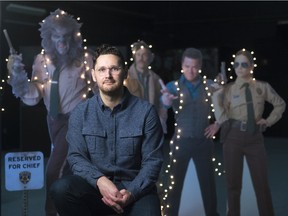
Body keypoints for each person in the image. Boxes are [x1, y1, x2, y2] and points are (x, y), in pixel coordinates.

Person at [49, 44, 164, 216]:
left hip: (136, 189)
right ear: (94, 75)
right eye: (101, 70)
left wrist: (131, 193)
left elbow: (153, 161)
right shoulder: (80, 113)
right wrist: (100, 181)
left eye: (114, 69)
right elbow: (76, 157)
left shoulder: (146, 112)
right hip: (95, 189)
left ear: (125, 73)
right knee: (61, 189)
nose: (107, 75)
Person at [6, 9, 95, 216]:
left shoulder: (84, 59)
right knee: (72, 168)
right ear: (49, 38)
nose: (62, 41)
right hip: (53, 120)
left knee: (54, 169)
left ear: (72, 36)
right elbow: (34, 95)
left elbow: (99, 89)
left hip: (77, 120)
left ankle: (51, 211)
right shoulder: (42, 60)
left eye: (65, 36)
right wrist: (18, 76)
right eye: (56, 36)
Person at [211, 49, 286, 216]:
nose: (239, 67)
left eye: (244, 64)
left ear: (251, 66)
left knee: (262, 185)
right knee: (233, 186)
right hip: (233, 137)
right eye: (236, 64)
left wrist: (268, 120)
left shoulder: (262, 87)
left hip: (254, 138)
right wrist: (217, 96)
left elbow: (280, 104)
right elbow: (222, 117)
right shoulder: (228, 89)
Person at [161, 48, 220, 216]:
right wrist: (164, 101)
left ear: (200, 66)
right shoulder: (173, 86)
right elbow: (163, 103)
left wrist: (218, 124)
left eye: (194, 66)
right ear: (182, 65)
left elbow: (226, 105)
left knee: (208, 185)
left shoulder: (210, 85)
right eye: (187, 66)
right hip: (181, 142)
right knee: (174, 185)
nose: (190, 71)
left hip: (203, 142)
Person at [124, 40, 167, 133]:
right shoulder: (126, 77)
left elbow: (162, 102)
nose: (141, 58)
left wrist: (161, 119)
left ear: (149, 57)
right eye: (138, 55)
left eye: (144, 55)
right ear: (134, 57)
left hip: (150, 123)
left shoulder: (156, 79)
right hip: (131, 123)